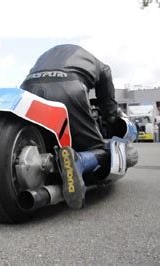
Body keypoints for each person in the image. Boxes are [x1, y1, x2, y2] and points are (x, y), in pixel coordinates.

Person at [20, 44, 137, 210]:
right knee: (101, 150)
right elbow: (107, 76)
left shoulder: (48, 55)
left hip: (28, 89)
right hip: (68, 89)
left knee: (44, 141)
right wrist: (112, 117)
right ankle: (79, 161)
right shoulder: (96, 62)